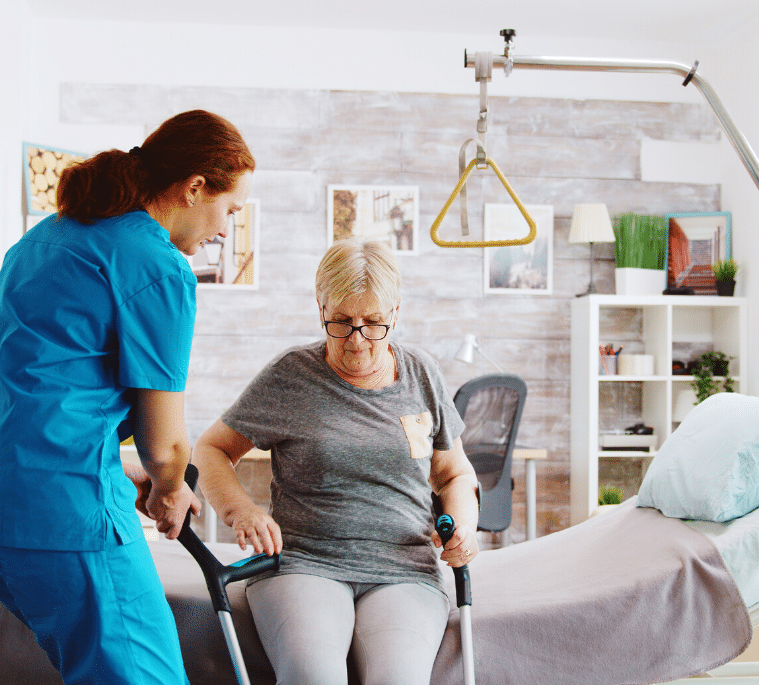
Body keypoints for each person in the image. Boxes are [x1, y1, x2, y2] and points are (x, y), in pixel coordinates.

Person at [0, 109, 255, 685]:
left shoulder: (42, 240)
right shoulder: (156, 264)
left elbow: (40, 391)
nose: (224, 230)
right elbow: (166, 446)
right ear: (195, 187)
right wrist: (169, 487)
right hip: (67, 516)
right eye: (230, 210)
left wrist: (121, 468)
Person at [193, 238, 479, 685]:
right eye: (342, 322)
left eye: (374, 323)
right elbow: (210, 449)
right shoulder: (291, 374)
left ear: (395, 313)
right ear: (320, 307)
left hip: (404, 569)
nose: (357, 339)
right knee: (313, 676)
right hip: (304, 562)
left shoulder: (422, 374)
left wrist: (463, 525)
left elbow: (453, 473)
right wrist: (240, 510)